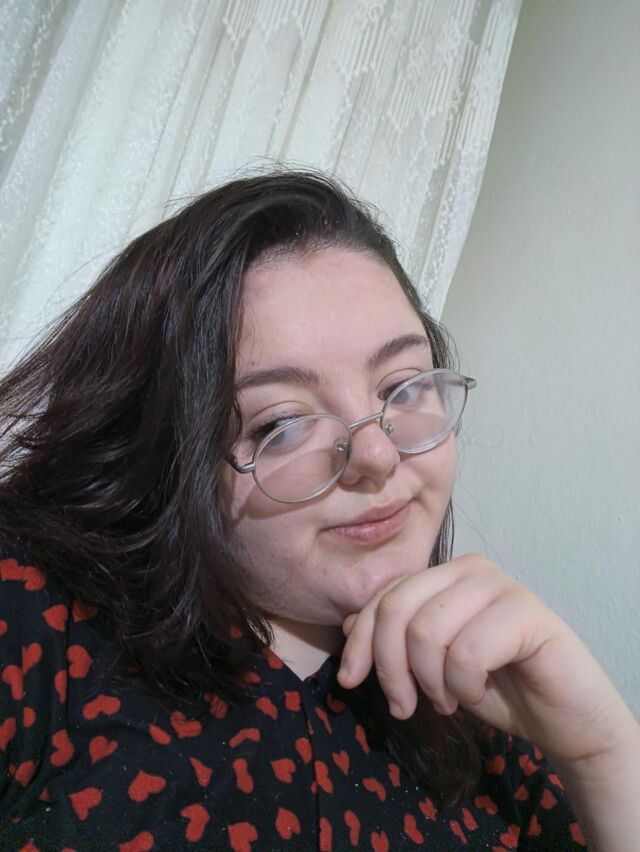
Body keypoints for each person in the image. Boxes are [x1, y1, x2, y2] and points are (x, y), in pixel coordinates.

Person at [0, 169, 637, 852]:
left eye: (401, 387)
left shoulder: (490, 713)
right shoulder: (35, 616)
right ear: (162, 457)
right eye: (281, 424)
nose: (378, 455)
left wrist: (604, 753)